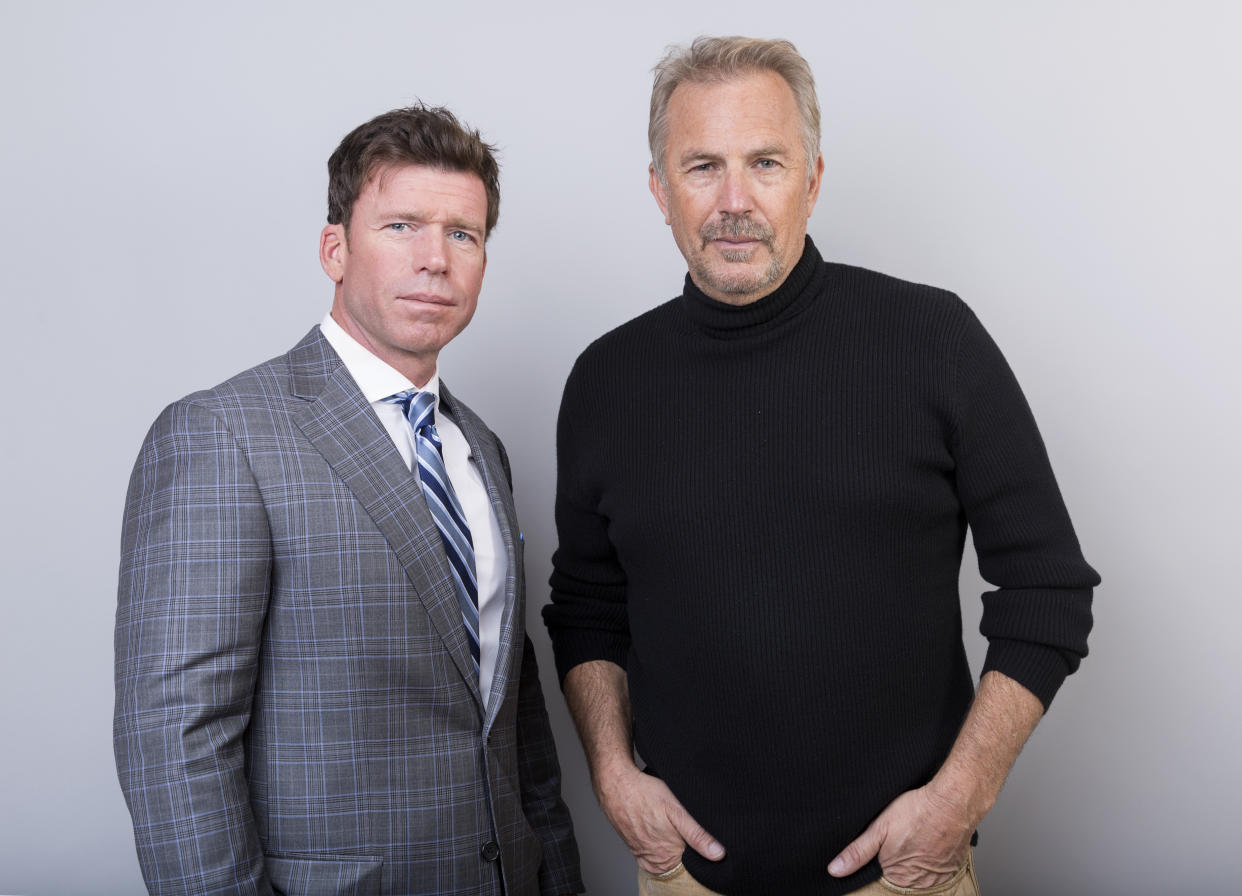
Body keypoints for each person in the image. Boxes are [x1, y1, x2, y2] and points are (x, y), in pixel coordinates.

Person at [543, 36, 1099, 896]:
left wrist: (958, 800)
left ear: (813, 176)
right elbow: (585, 605)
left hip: (906, 875)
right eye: (701, 167)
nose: (735, 201)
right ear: (659, 190)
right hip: (684, 880)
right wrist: (614, 775)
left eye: (765, 162)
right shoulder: (607, 380)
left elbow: (1049, 590)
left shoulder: (932, 341)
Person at [115, 104, 582, 896]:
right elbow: (175, 742)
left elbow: (513, 719)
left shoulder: (482, 450)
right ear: (336, 248)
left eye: (463, 235)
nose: (436, 259)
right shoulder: (222, 435)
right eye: (402, 226)